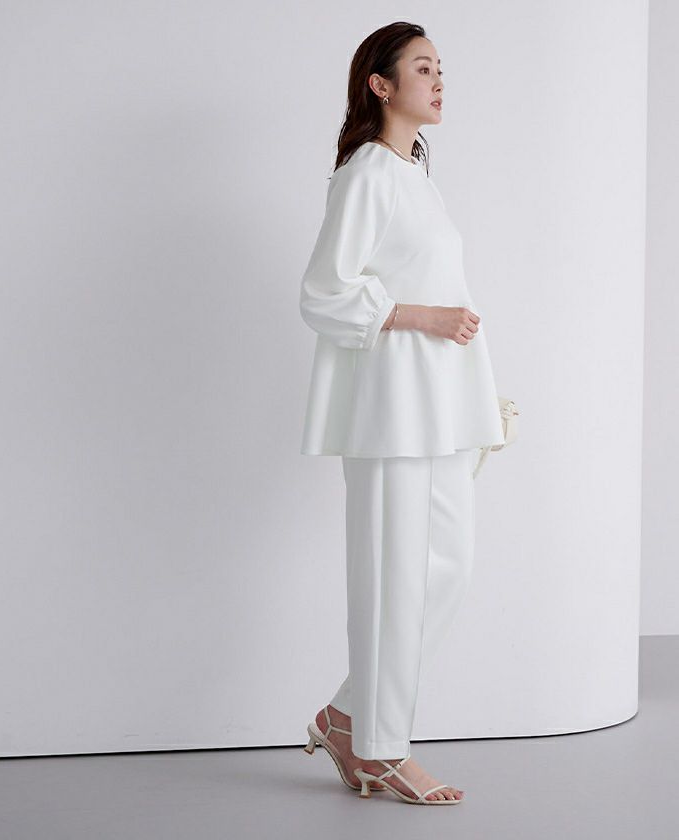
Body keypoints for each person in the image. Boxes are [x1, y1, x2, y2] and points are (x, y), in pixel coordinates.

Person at [298, 22, 506, 805]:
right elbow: (324, 291)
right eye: (423, 68)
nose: (439, 80)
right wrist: (423, 318)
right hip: (392, 403)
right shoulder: (365, 175)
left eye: (441, 67)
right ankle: (381, 750)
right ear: (381, 85)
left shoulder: (417, 174)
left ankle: (347, 717)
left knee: (447, 567)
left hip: (438, 402)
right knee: (392, 576)